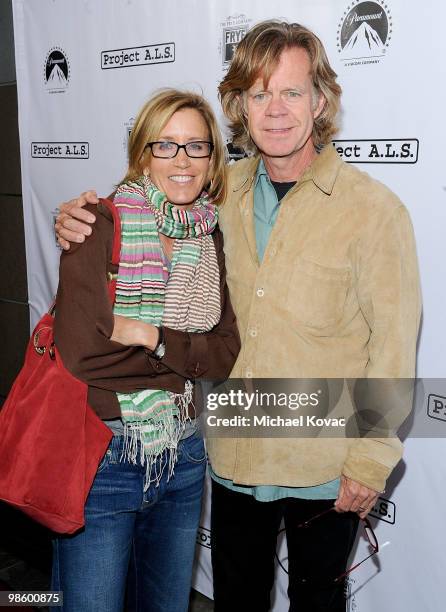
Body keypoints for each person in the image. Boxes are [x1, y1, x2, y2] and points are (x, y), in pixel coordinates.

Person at [55, 21, 421, 612]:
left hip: (325, 466)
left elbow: (394, 350)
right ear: (239, 106)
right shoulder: (218, 194)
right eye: (258, 93)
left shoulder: (375, 212)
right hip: (232, 459)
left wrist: (371, 461)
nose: (275, 110)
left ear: (321, 100)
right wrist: (77, 215)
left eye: (292, 92)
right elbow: (144, 201)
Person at [52, 88, 240, 612]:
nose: (182, 160)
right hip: (105, 458)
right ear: (142, 154)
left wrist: (150, 336)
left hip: (184, 454)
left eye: (196, 147)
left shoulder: (210, 238)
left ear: (211, 160)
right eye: (166, 145)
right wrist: (184, 355)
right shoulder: (99, 226)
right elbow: (83, 354)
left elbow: (226, 352)